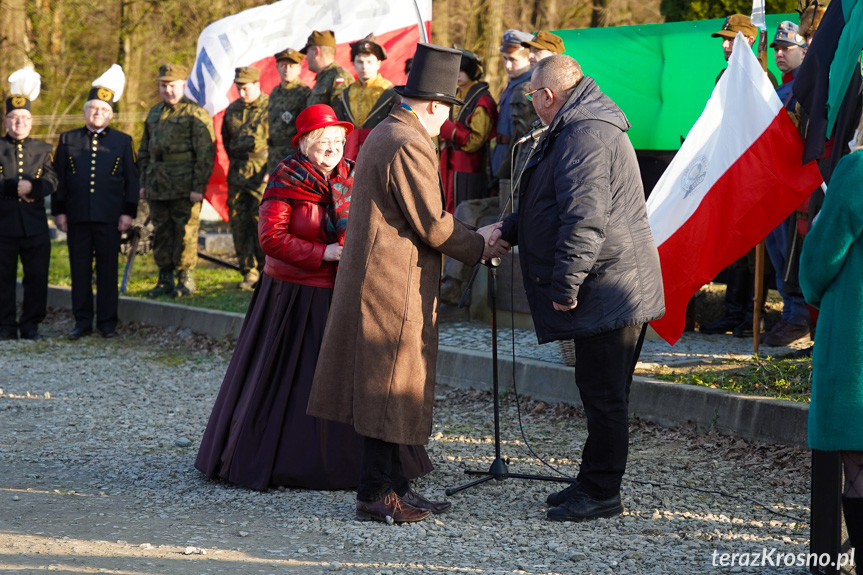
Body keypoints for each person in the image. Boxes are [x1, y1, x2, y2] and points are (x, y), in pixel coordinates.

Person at [307, 44, 510, 524]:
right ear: (436, 105)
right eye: (447, 112)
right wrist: (479, 243)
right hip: (390, 284)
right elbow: (432, 224)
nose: (447, 124)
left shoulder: (389, 132)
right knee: (388, 385)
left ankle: (397, 486)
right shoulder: (407, 141)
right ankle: (375, 494)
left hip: (387, 278)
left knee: (396, 384)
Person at [195, 104, 433, 490]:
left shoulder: (354, 176)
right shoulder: (286, 179)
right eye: (323, 142)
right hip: (294, 296)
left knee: (351, 377)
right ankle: (283, 460)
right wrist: (321, 253)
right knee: (292, 378)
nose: (332, 149)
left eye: (338, 142)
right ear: (305, 144)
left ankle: (362, 463)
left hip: (345, 291)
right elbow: (271, 238)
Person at [499, 55, 664, 521]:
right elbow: (549, 202)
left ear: (548, 96)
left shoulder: (584, 133)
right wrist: (509, 228)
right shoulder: (581, 125)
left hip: (608, 286)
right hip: (609, 281)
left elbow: (584, 219)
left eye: (532, 95)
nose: (531, 103)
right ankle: (593, 479)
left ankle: (602, 492)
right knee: (598, 390)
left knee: (605, 394)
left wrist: (565, 285)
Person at [799, 132, 863, 557]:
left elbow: (820, 259)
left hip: (856, 334)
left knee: (857, 462)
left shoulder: (858, 171)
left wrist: (811, 289)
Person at [700, 14, 775, 337]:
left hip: (753, 176)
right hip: (728, 171)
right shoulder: (723, 76)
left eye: (732, 39)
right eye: (724, 40)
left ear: (749, 41)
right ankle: (734, 312)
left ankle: (752, 314)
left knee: (753, 248)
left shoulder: (762, 78)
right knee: (734, 247)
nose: (726, 45)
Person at [52, 65, 139, 340]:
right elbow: (59, 179)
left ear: (111, 114)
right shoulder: (68, 139)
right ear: (85, 111)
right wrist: (60, 211)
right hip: (77, 216)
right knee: (79, 271)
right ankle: (82, 322)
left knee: (107, 271)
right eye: (93, 108)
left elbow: (131, 181)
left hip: (110, 217)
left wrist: (128, 212)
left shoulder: (123, 141)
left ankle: (108, 323)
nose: (98, 113)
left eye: (103, 109)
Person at [138, 64, 215, 298]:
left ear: (183, 84)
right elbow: (144, 151)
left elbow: (205, 153)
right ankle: (165, 277)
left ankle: (186, 278)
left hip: (185, 185)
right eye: (163, 85)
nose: (167, 90)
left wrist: (197, 186)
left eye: (172, 85)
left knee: (186, 232)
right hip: (157, 184)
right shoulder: (154, 113)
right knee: (161, 231)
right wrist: (143, 183)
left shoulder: (195, 113)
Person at [761, 22, 811, 347]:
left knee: (792, 255)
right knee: (778, 253)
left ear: (803, 50)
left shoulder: (804, 88)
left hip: (794, 186)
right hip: (772, 184)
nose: (779, 53)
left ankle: (798, 317)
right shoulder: (778, 87)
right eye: (776, 48)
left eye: (786, 48)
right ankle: (790, 314)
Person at [0, 66, 58, 341]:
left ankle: (31, 324)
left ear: (31, 121)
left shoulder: (43, 149)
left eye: (24, 118)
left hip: (34, 226)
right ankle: (6, 325)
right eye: (13, 118)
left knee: (37, 278)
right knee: (3, 279)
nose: (18, 123)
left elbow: (53, 180)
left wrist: (34, 187)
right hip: (4, 225)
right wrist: (14, 187)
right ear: (5, 120)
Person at [222, 66, 268, 290]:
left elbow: (278, 140)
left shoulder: (271, 107)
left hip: (263, 172)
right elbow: (226, 140)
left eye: (246, 88)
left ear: (257, 85)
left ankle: (265, 269)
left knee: (262, 221)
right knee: (239, 222)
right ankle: (248, 271)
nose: (242, 93)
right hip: (238, 172)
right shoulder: (232, 110)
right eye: (239, 89)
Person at [438, 49, 497, 212]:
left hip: (471, 171)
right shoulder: (454, 94)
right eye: (455, 69)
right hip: (449, 168)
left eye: (462, 69)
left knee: (466, 214)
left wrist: (449, 130)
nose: (457, 74)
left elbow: (475, 141)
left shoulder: (482, 99)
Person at [335, 33, 399, 161]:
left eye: (369, 62)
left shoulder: (390, 92)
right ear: (353, 63)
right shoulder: (347, 93)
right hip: (350, 154)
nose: (364, 66)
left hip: (379, 154)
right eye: (360, 62)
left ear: (378, 64)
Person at [490, 29, 537, 184]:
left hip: (512, 161)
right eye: (505, 59)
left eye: (513, 60)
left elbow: (521, 136)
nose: (507, 65)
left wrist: (503, 173)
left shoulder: (528, 88)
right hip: (500, 154)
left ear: (529, 59)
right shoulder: (513, 84)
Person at [267, 48, 311, 174]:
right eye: (283, 65)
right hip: (274, 156)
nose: (287, 69)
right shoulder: (274, 93)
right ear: (278, 68)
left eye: (291, 66)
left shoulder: (304, 93)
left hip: (294, 156)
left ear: (299, 69)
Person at [302, 30, 353, 108]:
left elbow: (340, 115)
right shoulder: (323, 78)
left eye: (307, 52)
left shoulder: (339, 77)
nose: (306, 58)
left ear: (316, 52)